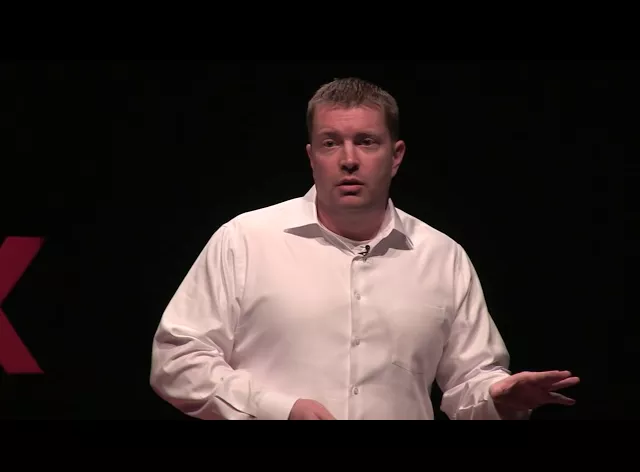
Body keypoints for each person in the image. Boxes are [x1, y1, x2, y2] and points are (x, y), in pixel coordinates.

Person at [149, 77, 580, 420]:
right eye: (331, 142)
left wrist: (498, 396)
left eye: (366, 142)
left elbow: (471, 380)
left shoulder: (442, 257)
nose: (349, 159)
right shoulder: (245, 240)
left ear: (396, 156)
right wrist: (278, 409)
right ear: (312, 156)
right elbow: (177, 361)